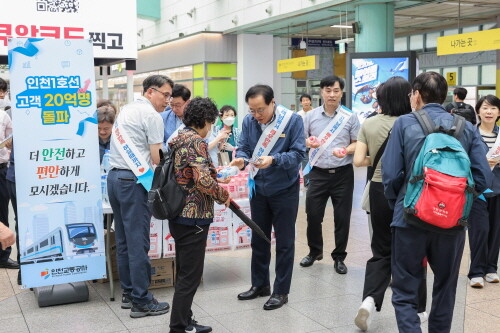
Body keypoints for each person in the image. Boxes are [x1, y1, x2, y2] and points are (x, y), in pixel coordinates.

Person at [382, 72, 491, 333]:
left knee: (405, 288)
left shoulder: (404, 124)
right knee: (445, 286)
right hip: (452, 223)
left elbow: (390, 175)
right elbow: (483, 178)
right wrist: (455, 200)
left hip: (410, 218)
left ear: (417, 95)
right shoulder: (465, 128)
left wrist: (400, 203)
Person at [353, 77, 427, 330]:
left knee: (381, 249)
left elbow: (359, 160)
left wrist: (379, 159)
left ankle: (369, 301)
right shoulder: (415, 123)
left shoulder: (370, 123)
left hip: (378, 190)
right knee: (414, 250)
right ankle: (418, 307)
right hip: (409, 191)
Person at [230, 84, 305, 310]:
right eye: (252, 110)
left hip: (285, 189)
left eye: (260, 110)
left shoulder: (292, 121)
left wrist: (274, 159)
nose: (256, 115)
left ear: (273, 102)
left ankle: (281, 291)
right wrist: (241, 160)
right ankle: (260, 284)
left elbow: (299, 154)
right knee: (259, 238)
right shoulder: (248, 121)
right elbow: (243, 147)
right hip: (258, 189)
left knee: (284, 242)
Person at [107, 74, 172, 318]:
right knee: (137, 243)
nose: (167, 100)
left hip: (115, 179)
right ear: (150, 92)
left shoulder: (127, 109)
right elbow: (156, 159)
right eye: (164, 95)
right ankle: (142, 301)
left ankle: (130, 293)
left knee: (123, 241)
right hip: (133, 182)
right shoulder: (151, 115)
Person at [168, 97, 231, 333]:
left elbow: (192, 174)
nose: (210, 128)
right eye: (211, 123)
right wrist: (223, 195)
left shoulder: (179, 136)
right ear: (205, 120)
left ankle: (185, 320)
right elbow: (203, 182)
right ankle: (178, 326)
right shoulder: (196, 141)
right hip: (192, 215)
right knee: (190, 275)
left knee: (185, 271)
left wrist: (215, 178)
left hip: (178, 213)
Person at [300, 75, 360, 274]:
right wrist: (309, 143)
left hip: (343, 174)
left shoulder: (349, 117)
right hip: (317, 173)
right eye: (328, 90)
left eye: (336, 91)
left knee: (342, 217)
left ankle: (339, 257)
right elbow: (302, 140)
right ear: (321, 92)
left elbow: (357, 142)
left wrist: (346, 150)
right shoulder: (310, 116)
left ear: (341, 92)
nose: (332, 95)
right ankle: (314, 251)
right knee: (313, 214)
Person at [467, 94, 500, 288]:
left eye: (493, 108)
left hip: (498, 188)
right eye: (485, 107)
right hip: (477, 189)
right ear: (478, 110)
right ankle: (476, 272)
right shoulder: (470, 133)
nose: (489, 111)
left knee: (496, 231)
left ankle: (491, 269)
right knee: (479, 230)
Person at [0, 104, 16, 269]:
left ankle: (3, 256)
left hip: (1, 169)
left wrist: (9, 144)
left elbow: (10, 139)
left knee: (3, 213)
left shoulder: (3, 116)